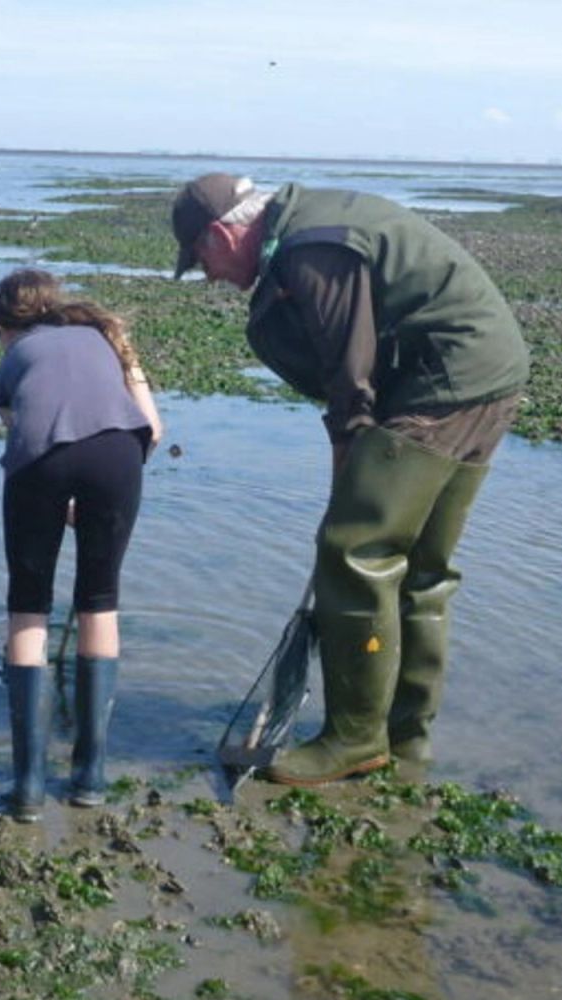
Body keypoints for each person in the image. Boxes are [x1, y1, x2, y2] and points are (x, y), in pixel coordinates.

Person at [171, 174, 529, 786]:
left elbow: (349, 363)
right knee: (421, 567)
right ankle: (406, 741)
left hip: (444, 381)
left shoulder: (312, 245)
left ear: (221, 231)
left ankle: (354, 739)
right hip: (492, 370)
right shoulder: (311, 223)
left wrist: (349, 447)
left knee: (354, 553)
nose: (207, 275)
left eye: (200, 257)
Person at [0, 269, 162, 821]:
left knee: (28, 606)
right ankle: (89, 778)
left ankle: (28, 790)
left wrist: (63, 492)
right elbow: (152, 430)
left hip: (42, 465)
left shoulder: (11, 361)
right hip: (119, 457)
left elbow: (30, 439)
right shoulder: (106, 339)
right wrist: (105, 489)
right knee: (99, 601)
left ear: (3, 329)